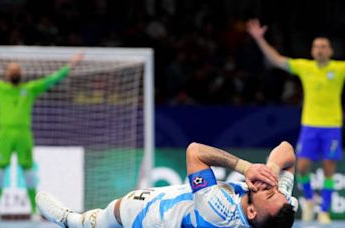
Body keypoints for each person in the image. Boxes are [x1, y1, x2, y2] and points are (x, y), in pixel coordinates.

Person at [0, 43, 84, 221]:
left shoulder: (31, 88)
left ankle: (34, 211)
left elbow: (53, 79)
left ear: (20, 74)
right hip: (4, 135)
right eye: (11, 69)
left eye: (16, 69)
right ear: (7, 74)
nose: (14, 72)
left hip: (23, 135)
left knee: (28, 173)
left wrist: (71, 65)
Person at [36, 141, 298, 227]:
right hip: (178, 200)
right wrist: (270, 172)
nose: (268, 187)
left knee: (107, 217)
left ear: (251, 212)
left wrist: (246, 167)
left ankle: (71, 220)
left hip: (149, 217)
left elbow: (194, 151)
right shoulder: (278, 209)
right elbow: (287, 151)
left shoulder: (219, 212)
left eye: (268, 192)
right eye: (274, 188)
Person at [247, 18, 344, 224]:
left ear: (330, 51)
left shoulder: (340, 69)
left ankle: (324, 211)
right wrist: (259, 39)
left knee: (329, 170)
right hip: (310, 126)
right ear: (311, 51)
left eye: (324, 46)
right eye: (316, 46)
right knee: (301, 168)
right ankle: (309, 200)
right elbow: (276, 60)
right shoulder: (304, 67)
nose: (319, 49)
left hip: (332, 126)